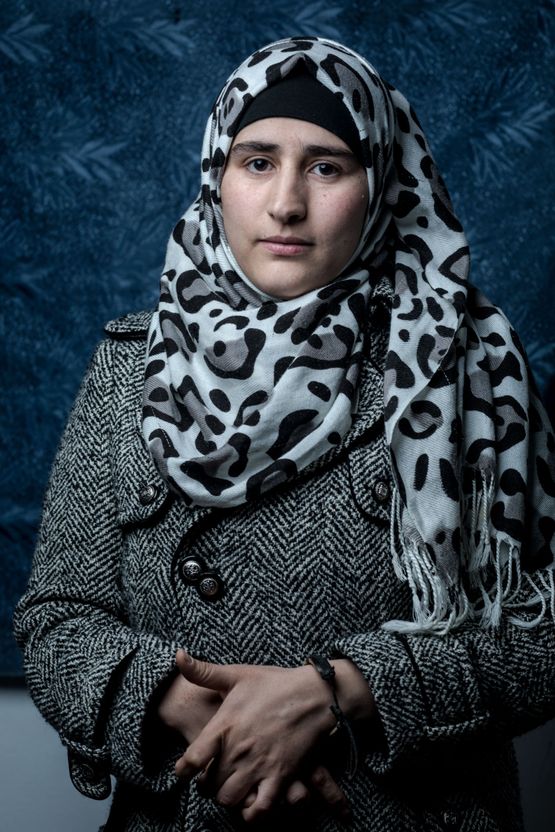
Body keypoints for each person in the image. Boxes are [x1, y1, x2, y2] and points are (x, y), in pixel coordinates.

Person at [13, 35, 555, 832]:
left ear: (382, 182)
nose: (286, 203)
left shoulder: (463, 370)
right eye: (257, 161)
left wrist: (339, 692)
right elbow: (57, 617)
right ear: (216, 177)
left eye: (327, 166)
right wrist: (199, 718)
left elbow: (542, 639)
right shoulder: (133, 365)